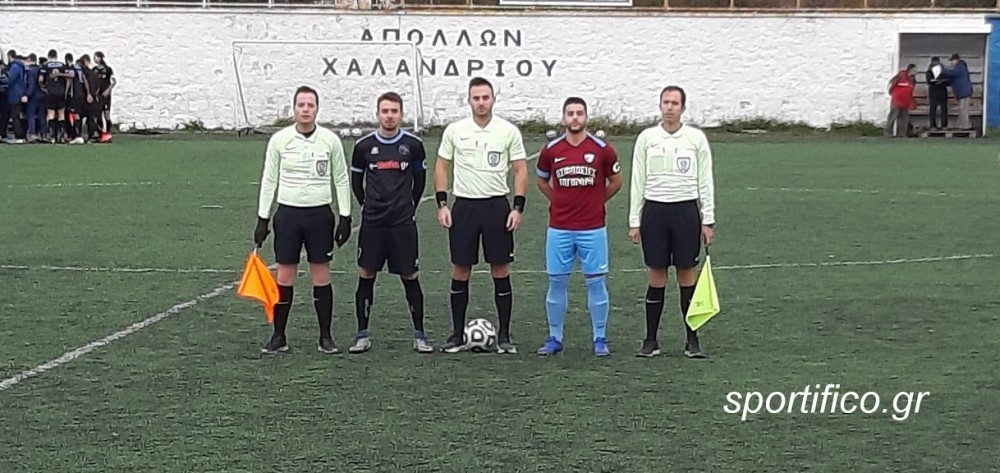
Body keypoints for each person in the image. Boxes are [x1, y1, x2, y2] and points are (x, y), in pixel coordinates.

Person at [254, 85, 353, 355]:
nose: (306, 110)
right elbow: (269, 179)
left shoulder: (330, 140)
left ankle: (325, 337)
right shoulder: (280, 140)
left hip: (319, 215)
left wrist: (345, 216)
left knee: (320, 274)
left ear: (317, 109)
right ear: (294, 108)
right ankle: (278, 336)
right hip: (288, 215)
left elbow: (341, 178)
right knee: (285, 275)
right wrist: (263, 218)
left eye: (310, 105)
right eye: (301, 105)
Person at [434, 77, 528, 354]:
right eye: (476, 98)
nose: (481, 102)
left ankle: (504, 336)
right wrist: (442, 204)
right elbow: (442, 166)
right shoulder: (455, 130)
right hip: (464, 207)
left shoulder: (508, 131)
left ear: (493, 99)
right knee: (461, 268)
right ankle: (456, 334)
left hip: (496, 207)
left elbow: (520, 169)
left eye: (485, 97)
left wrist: (517, 207)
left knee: (500, 268)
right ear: (469, 100)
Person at [628, 85, 716, 359]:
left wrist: (708, 218)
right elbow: (637, 179)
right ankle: (650, 340)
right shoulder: (647, 138)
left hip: (686, 212)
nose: (669, 107)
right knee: (657, 275)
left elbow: (705, 180)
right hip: (655, 212)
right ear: (660, 106)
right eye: (665, 102)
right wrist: (634, 220)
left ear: (683, 108)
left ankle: (692, 340)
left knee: (686, 275)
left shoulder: (695, 139)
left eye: (674, 103)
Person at [535, 97, 623, 357]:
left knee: (596, 282)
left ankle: (599, 338)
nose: (575, 118)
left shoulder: (602, 149)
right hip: (559, 228)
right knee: (556, 282)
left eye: (579, 113)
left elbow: (616, 181)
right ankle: (555, 337)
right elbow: (541, 181)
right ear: (563, 118)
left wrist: (596, 201)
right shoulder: (551, 150)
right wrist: (558, 200)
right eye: (570, 113)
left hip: (592, 228)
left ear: (586, 117)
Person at [347, 91, 431, 354]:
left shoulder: (413, 145)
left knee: (410, 276)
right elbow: (356, 183)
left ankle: (420, 336)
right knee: (366, 275)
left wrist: (408, 207)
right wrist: (368, 205)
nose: (390, 116)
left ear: (401, 114)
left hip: (402, 224)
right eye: (385, 111)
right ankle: (362, 335)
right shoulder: (363, 146)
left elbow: (419, 183)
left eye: (394, 111)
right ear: (377, 114)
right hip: (373, 223)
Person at [885, 64, 916, 138]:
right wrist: (891, 93)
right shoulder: (900, 76)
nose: (915, 72)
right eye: (914, 70)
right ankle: (888, 132)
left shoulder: (913, 80)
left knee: (904, 118)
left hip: (905, 101)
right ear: (910, 70)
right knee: (893, 116)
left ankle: (902, 133)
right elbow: (891, 85)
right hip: (897, 100)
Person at [945, 53, 972, 130]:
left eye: (952, 61)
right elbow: (953, 79)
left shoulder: (960, 66)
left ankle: (965, 126)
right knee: (962, 109)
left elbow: (954, 73)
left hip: (964, 92)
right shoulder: (960, 66)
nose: (951, 63)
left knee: (963, 110)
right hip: (963, 92)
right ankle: (962, 125)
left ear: (956, 60)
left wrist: (943, 71)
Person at [926, 57, 949, 131]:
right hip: (933, 92)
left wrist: (942, 81)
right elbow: (929, 81)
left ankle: (944, 125)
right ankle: (933, 125)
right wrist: (935, 81)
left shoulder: (943, 71)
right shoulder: (929, 71)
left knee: (944, 109)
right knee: (933, 109)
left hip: (942, 92)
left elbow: (947, 80)